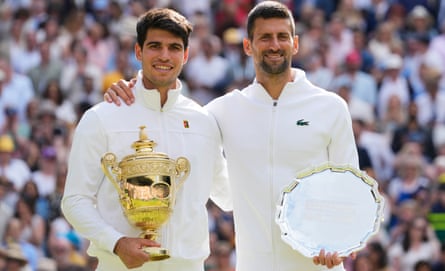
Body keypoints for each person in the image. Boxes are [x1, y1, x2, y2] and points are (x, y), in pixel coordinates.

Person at [105, 2, 360, 270]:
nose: (274, 45)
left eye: (282, 37)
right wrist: (132, 91)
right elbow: (167, 113)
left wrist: (340, 241)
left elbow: (351, 188)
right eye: (265, 37)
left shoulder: (331, 107)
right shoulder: (221, 111)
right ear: (248, 46)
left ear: (294, 44)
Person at [61, 8, 232, 271]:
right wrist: (116, 243)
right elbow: (74, 201)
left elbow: (229, 196)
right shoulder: (102, 117)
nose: (165, 56)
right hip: (119, 265)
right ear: (138, 51)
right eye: (155, 46)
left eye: (174, 47)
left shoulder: (203, 121)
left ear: (185, 55)